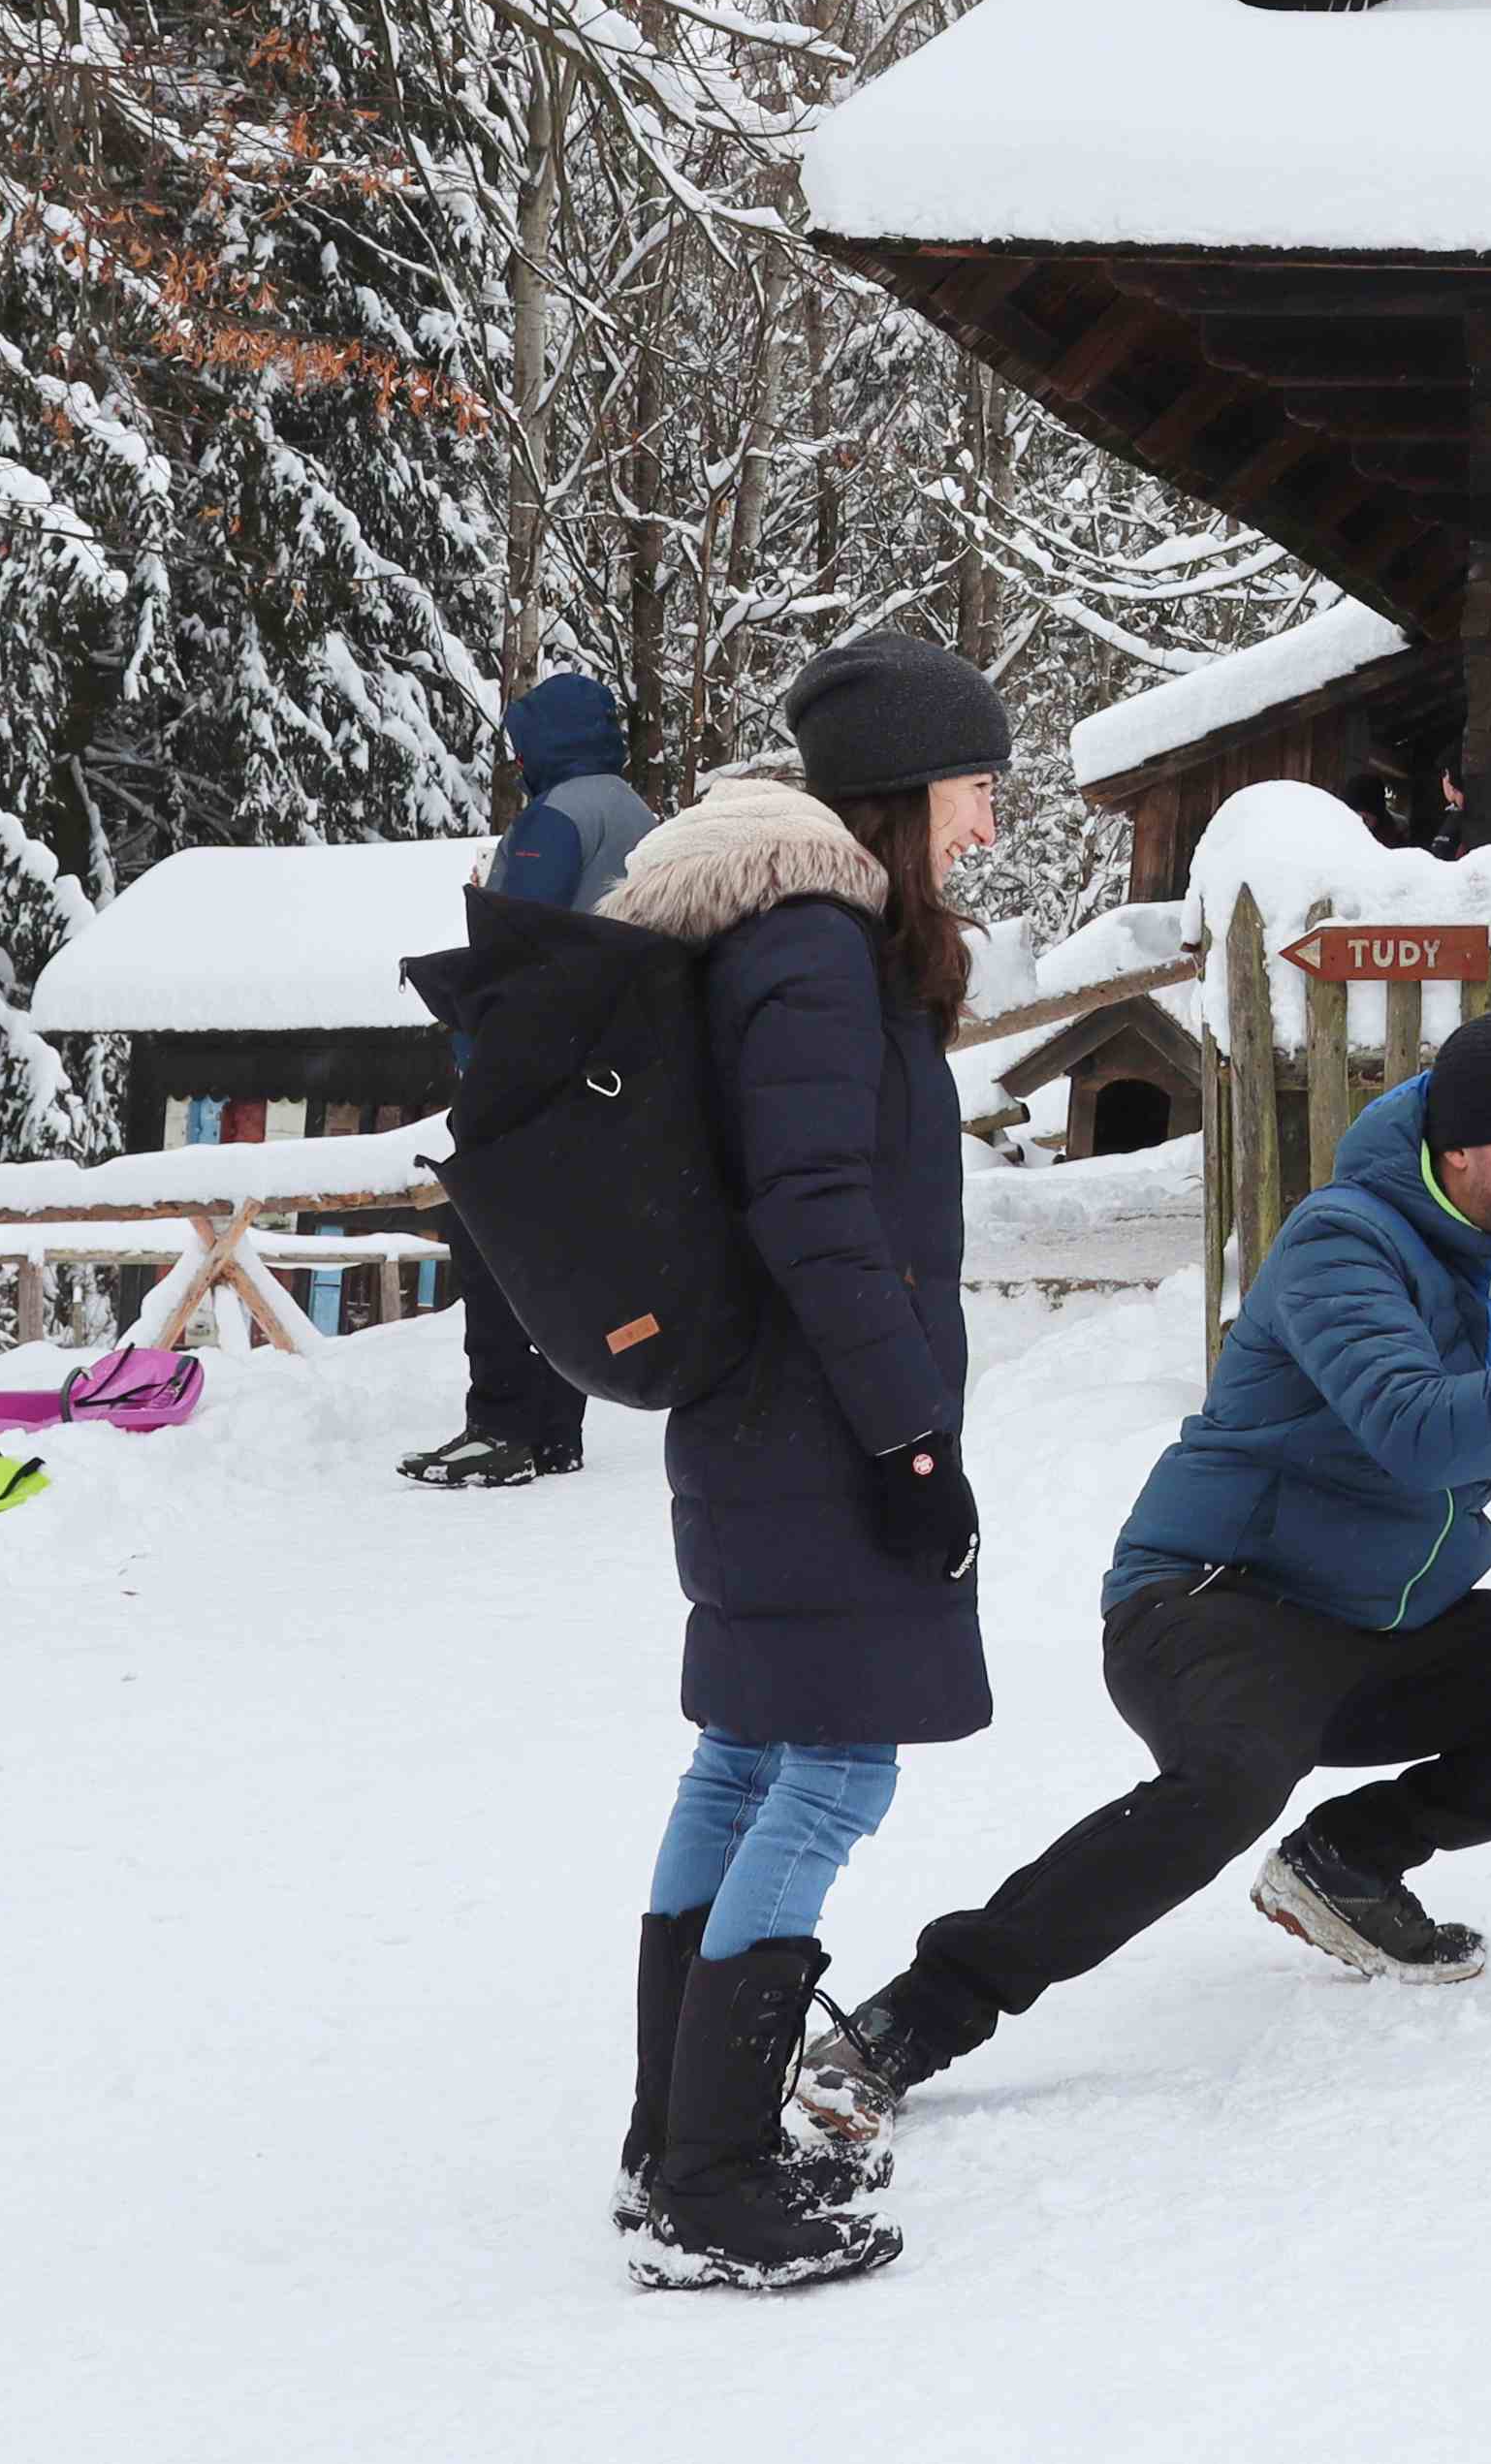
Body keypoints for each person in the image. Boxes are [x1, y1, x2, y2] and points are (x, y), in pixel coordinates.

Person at [797, 1008, 1491, 2132]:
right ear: (1460, 1148)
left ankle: (1347, 1861)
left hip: (1386, 1622)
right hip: (1214, 1600)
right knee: (1229, 1779)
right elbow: (1418, 1429)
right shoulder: (1342, 1242)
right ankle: (907, 2022)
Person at [587, 635, 1005, 2293]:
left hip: (762, 1414)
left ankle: (671, 2141)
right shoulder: (816, 948)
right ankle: (711, 2174)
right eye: (974, 792)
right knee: (831, 1770)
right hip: (817, 1419)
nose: (982, 826)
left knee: (749, 1757)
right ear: (902, 793)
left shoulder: (785, 936)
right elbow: (821, 1210)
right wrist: (911, 1440)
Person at [403, 667, 659, 1488]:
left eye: (520, 747)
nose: (516, 762)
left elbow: (519, 939)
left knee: (489, 1238)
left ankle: (501, 1427)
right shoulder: (639, 817)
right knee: (557, 1248)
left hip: (530, 1061)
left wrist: (468, 1007)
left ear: (540, 746)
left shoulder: (557, 818)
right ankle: (555, 1429)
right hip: (604, 1064)